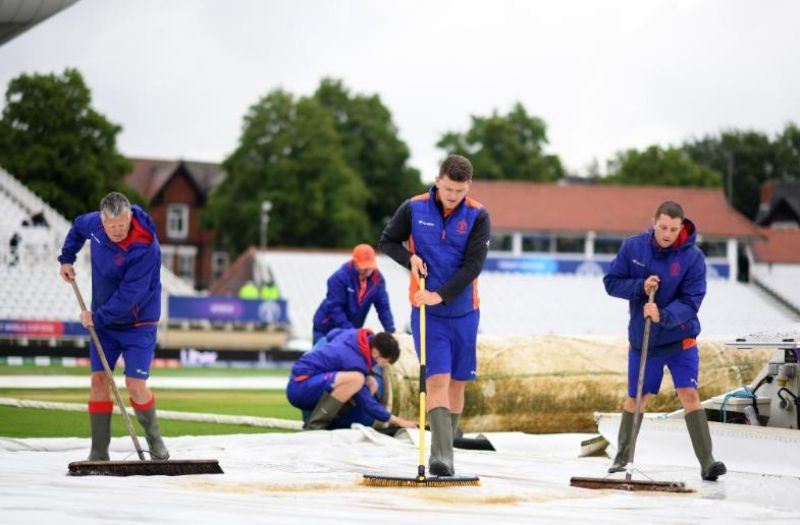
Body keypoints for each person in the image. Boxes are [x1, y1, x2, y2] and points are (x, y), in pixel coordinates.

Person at [379, 154, 491, 477]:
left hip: (465, 312)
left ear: (468, 186)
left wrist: (440, 294)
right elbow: (387, 241)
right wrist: (410, 257)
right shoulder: (413, 208)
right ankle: (442, 458)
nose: (452, 197)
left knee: (457, 385)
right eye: (447, 189)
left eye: (459, 191)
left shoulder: (478, 215)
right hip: (427, 313)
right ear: (438, 180)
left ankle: (447, 448)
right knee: (437, 379)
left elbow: (474, 267)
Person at [603, 200, 726, 481]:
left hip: (681, 341)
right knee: (637, 397)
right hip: (643, 343)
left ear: (681, 227)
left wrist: (663, 315)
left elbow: (692, 300)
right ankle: (622, 459)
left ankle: (708, 463)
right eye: (662, 227)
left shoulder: (693, 258)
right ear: (653, 222)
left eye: (673, 228)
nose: (667, 234)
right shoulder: (633, 247)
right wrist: (640, 286)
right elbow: (611, 282)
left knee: (689, 395)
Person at [58, 192, 168, 461]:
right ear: (103, 221)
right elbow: (77, 228)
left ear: (129, 218)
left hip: (138, 324)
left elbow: (132, 294)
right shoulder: (93, 224)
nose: (117, 230)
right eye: (111, 226)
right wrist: (66, 258)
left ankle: (155, 443)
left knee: (135, 384)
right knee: (98, 380)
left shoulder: (145, 246)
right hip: (105, 325)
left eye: (122, 225)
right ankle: (98, 453)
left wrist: (97, 317)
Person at [286, 328, 416, 430]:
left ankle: (326, 418)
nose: (381, 366)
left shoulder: (355, 335)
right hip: (300, 387)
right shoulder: (355, 362)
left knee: (366, 380)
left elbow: (332, 334)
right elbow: (366, 403)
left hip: (302, 378)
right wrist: (399, 421)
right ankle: (315, 425)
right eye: (383, 363)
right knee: (357, 379)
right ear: (375, 352)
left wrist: (368, 374)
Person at [311, 244, 395, 345]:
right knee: (322, 359)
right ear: (355, 262)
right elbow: (335, 307)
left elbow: (383, 307)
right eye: (363, 267)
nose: (367, 270)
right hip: (327, 328)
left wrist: (391, 331)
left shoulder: (378, 280)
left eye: (369, 266)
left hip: (351, 331)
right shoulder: (339, 278)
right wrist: (352, 332)